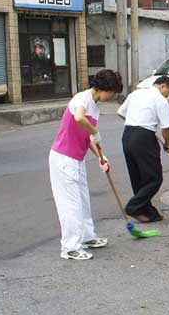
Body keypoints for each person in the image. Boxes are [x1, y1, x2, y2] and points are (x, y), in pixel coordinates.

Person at [49, 69, 123, 261]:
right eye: (113, 92)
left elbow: (86, 136)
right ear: (104, 89)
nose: (113, 96)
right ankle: (70, 247)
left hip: (77, 159)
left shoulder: (95, 106)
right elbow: (79, 118)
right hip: (64, 158)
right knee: (70, 204)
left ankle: (87, 237)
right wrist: (95, 131)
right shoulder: (81, 99)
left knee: (83, 200)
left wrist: (101, 156)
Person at [117, 76, 169, 223]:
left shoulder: (135, 94)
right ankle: (133, 206)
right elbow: (166, 127)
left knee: (138, 177)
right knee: (154, 178)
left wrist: (137, 122)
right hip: (144, 138)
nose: (168, 95)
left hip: (127, 135)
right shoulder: (160, 100)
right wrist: (167, 144)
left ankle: (147, 211)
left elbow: (121, 112)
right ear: (162, 86)